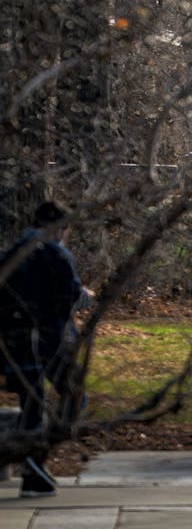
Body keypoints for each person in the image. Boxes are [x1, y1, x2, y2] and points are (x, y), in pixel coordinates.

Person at [0, 201, 85, 498]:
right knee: (74, 395)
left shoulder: (16, 250)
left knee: (32, 404)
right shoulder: (56, 252)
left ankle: (31, 469)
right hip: (50, 340)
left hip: (17, 342)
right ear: (61, 227)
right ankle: (33, 466)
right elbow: (69, 294)